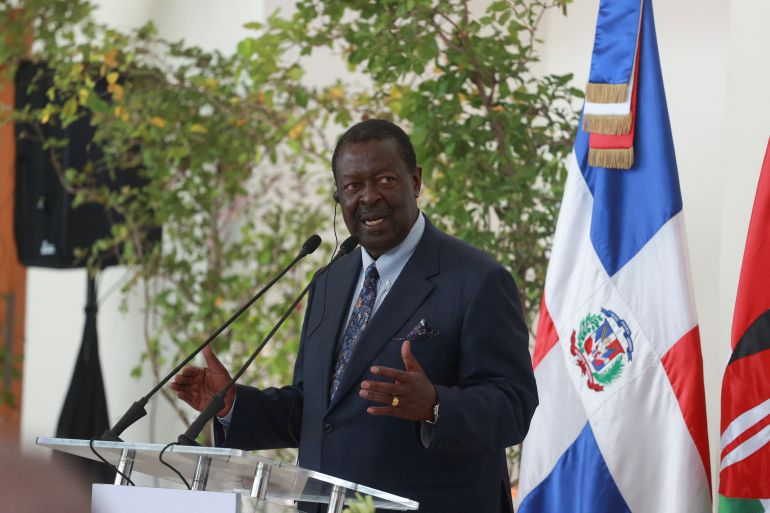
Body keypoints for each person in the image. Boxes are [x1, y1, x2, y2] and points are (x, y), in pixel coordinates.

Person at [172, 119, 538, 513]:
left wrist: (435, 405)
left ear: (415, 181)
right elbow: (316, 412)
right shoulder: (330, 280)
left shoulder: (478, 280)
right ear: (339, 196)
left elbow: (514, 405)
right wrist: (232, 406)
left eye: (385, 180)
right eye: (352, 186)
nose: (368, 197)